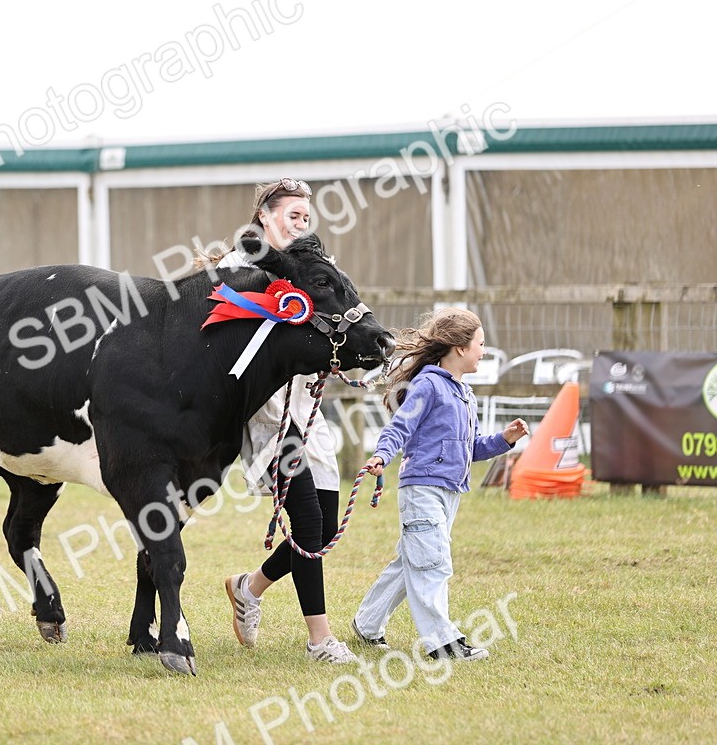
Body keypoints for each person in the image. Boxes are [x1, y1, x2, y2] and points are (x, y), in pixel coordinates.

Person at [216, 178, 356, 663]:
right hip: (266, 412)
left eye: (306, 217)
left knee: (325, 523)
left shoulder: (314, 269)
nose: (302, 222)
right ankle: (320, 641)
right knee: (308, 518)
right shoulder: (237, 269)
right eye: (293, 214)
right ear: (264, 216)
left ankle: (248, 587)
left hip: (307, 407)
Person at [351, 308, 529, 661]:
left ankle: (367, 624)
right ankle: (442, 641)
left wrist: (505, 440)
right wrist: (382, 456)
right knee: (433, 563)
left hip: (450, 492)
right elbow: (401, 426)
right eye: (480, 344)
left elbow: (472, 448)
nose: (484, 350)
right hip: (422, 490)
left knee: (412, 561)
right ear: (460, 348)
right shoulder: (429, 385)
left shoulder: (466, 395)